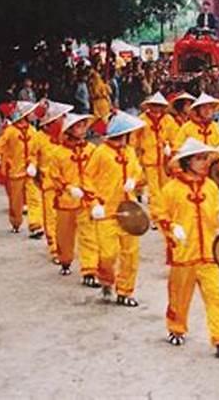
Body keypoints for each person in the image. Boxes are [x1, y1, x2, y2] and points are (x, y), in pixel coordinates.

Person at [153, 137, 219, 354]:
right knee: (180, 294)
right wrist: (171, 227)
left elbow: (215, 208)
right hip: (183, 252)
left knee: (216, 294)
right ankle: (176, 328)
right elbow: (158, 212)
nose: (203, 163)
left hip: (209, 251)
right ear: (187, 161)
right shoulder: (171, 188)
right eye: (199, 159)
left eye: (205, 159)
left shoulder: (210, 186)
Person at [86, 111, 147, 306]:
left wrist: (133, 179)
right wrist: (94, 203)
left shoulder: (129, 152)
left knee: (131, 253)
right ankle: (106, 280)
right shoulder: (101, 152)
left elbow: (137, 170)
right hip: (106, 211)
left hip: (128, 210)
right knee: (107, 254)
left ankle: (125, 291)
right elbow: (86, 179)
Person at [50, 112, 99, 281]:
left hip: (86, 200)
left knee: (89, 235)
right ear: (70, 129)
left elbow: (98, 172)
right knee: (65, 235)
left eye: (84, 125)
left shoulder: (92, 150)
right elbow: (54, 176)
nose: (83, 129)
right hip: (66, 201)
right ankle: (65, 260)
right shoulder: (58, 153)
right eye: (79, 126)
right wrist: (68, 188)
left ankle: (89, 270)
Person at [32, 101, 74, 261]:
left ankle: (66, 246)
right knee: (51, 218)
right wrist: (32, 167)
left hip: (67, 185)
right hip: (49, 184)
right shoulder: (39, 137)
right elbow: (33, 155)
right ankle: (55, 248)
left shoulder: (64, 137)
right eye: (61, 117)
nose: (64, 119)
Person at [130, 92, 178, 225]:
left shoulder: (168, 119)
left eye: (159, 106)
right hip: (149, 160)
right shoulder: (142, 119)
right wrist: (135, 154)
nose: (156, 108)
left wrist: (172, 149)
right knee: (154, 191)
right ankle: (156, 217)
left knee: (167, 189)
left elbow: (175, 137)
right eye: (154, 105)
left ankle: (169, 214)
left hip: (165, 161)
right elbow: (134, 139)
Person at [0, 101, 40, 233]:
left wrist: (33, 163)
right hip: (15, 170)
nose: (33, 115)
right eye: (31, 112)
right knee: (16, 201)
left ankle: (35, 223)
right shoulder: (10, 131)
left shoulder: (33, 131)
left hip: (29, 171)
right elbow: (0, 145)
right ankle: (16, 221)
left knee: (34, 197)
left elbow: (36, 150)